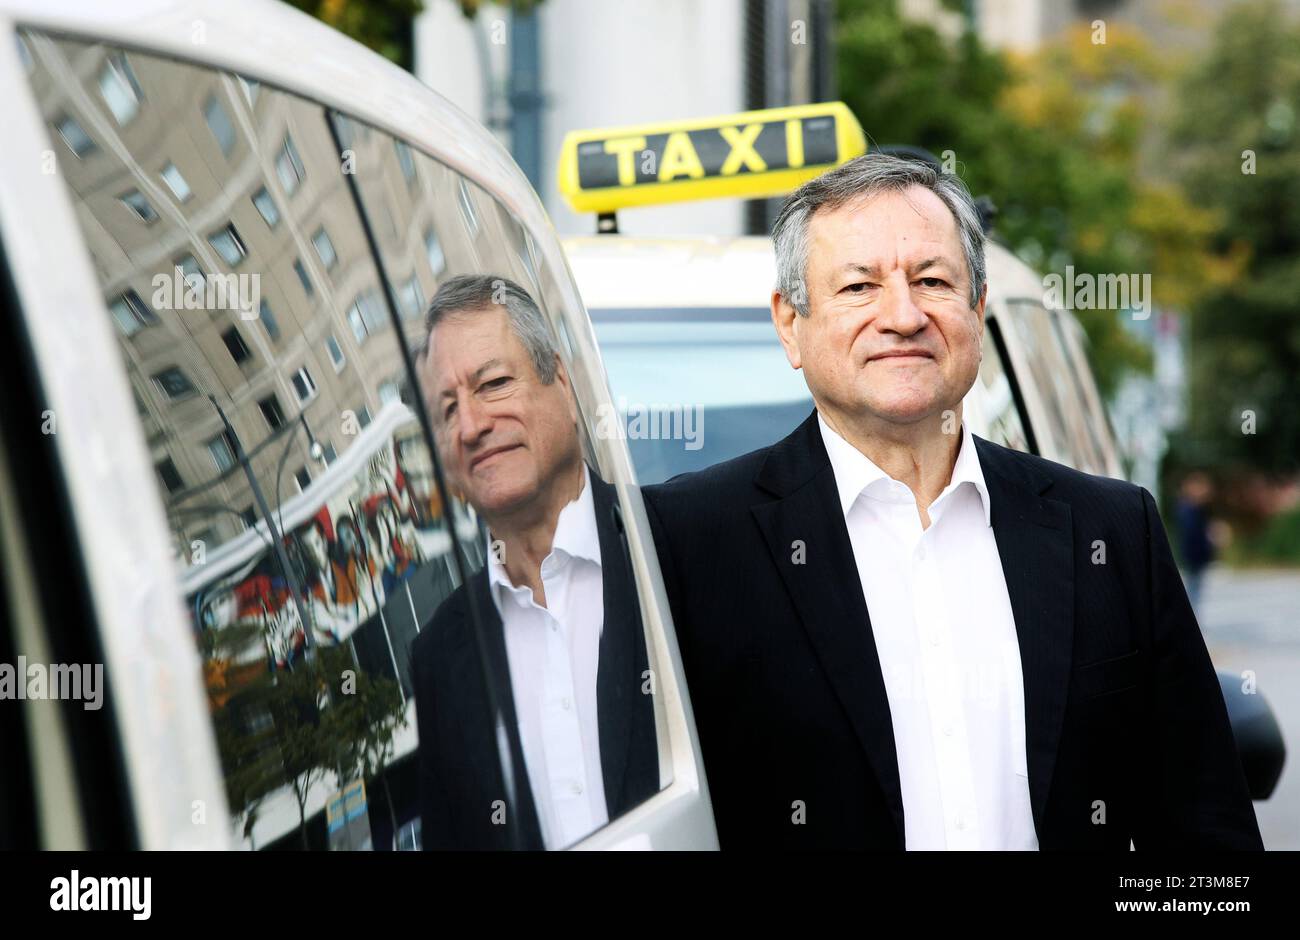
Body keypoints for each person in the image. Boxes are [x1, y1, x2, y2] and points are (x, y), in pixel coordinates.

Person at [642, 153, 1262, 850]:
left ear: (977, 307)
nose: (903, 316)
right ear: (791, 324)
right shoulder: (682, 543)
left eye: (933, 281)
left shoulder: (1111, 530)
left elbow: (1209, 831)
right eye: (859, 287)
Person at [409, 274, 658, 850]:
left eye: (493, 384)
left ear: (563, 385)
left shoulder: (681, 548)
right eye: (448, 411)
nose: (471, 426)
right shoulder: (441, 656)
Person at [1175, 472, 1216, 612]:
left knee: (1194, 590)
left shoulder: (1192, 509)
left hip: (1195, 555)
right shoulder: (1189, 510)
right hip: (1194, 556)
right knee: (1193, 591)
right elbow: (1192, 535)